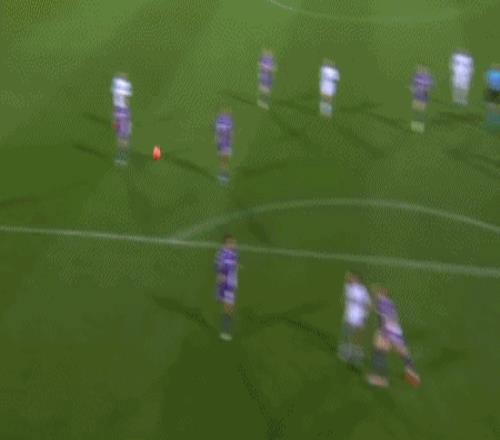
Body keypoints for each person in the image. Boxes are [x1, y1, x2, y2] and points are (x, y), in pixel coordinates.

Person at [367, 286, 420, 388]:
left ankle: (380, 379)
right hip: (396, 330)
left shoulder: (381, 302)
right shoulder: (390, 302)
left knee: (379, 352)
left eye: (378, 293)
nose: (376, 294)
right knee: (402, 352)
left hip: (387, 331)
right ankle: (412, 371)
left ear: (382, 293)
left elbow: (371, 308)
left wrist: (383, 333)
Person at [338, 272, 371, 367]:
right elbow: (347, 278)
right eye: (352, 278)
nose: (352, 279)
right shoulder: (349, 288)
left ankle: (357, 354)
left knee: (357, 336)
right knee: (347, 335)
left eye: (354, 278)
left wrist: (365, 314)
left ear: (358, 280)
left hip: (359, 316)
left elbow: (368, 304)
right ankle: (346, 352)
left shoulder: (363, 290)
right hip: (349, 316)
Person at [215, 235, 239, 341]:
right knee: (228, 308)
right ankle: (225, 331)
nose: (234, 244)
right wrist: (221, 275)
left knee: (230, 309)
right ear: (226, 244)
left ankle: (226, 331)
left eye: (234, 242)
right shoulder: (223, 254)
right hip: (226, 285)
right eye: (231, 242)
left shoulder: (232, 253)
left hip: (231, 284)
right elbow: (219, 267)